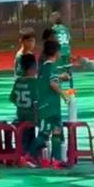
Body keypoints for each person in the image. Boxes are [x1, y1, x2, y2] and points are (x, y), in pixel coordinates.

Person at [25, 40, 70, 169]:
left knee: (57, 131)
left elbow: (49, 79)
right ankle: (28, 156)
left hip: (52, 107)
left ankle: (56, 160)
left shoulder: (44, 66)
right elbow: (52, 83)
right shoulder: (51, 66)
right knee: (44, 133)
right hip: (48, 107)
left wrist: (60, 77)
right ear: (56, 52)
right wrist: (64, 94)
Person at [10, 53, 38, 156]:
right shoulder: (35, 83)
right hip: (32, 117)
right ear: (34, 67)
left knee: (24, 139)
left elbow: (12, 98)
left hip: (21, 116)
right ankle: (30, 155)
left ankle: (24, 153)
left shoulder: (18, 81)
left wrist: (21, 106)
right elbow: (37, 102)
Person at [50, 11, 73, 83]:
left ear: (54, 19)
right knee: (69, 70)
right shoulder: (65, 28)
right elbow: (69, 39)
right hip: (67, 51)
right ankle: (71, 91)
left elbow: (52, 40)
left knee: (59, 71)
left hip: (59, 52)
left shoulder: (53, 29)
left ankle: (59, 90)